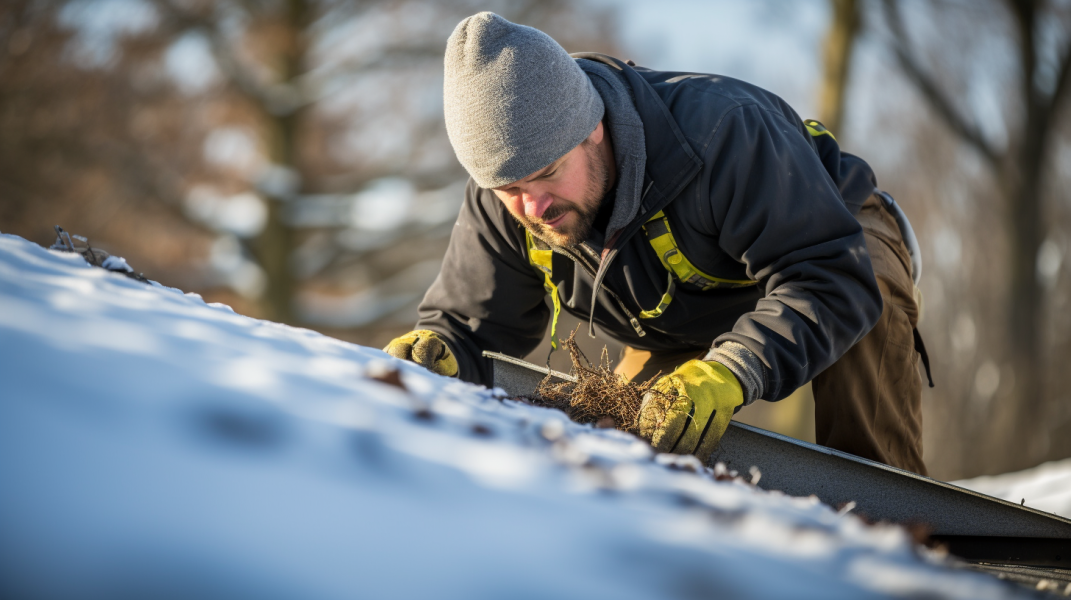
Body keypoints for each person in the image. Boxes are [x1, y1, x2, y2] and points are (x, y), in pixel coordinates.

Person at [385, 12, 929, 475]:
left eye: (548, 173)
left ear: (593, 126)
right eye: (509, 189)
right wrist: (440, 352)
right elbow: (466, 329)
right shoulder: (506, 200)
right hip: (676, 307)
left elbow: (828, 275)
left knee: (867, 300)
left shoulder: (725, 134)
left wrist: (734, 367)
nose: (532, 206)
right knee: (622, 443)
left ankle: (900, 533)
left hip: (835, 241)